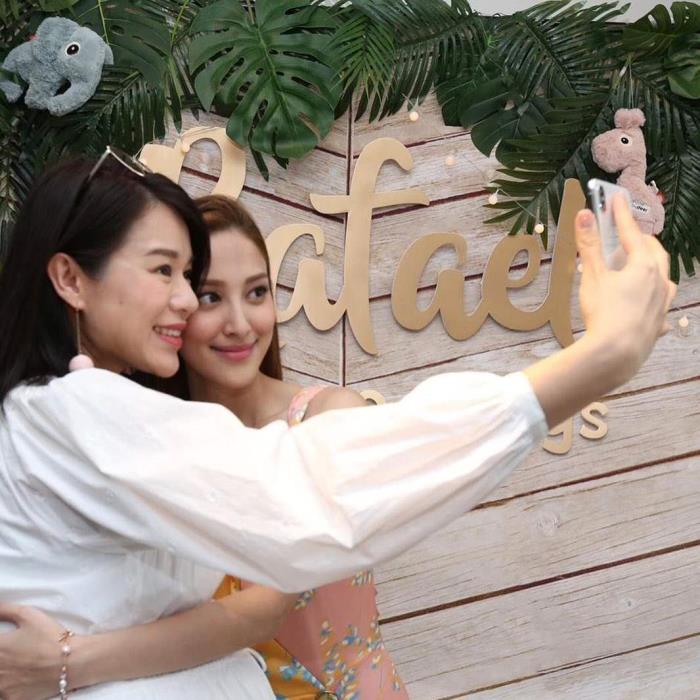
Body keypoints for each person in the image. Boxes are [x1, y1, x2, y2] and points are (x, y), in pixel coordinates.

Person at [0, 150, 674, 700]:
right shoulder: (75, 410)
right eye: (167, 273)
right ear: (71, 280)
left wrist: (70, 661)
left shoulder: (88, 414)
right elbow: (313, 503)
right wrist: (597, 360)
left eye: (248, 289)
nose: (186, 302)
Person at [0, 194, 407, 700]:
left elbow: (264, 608)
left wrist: (66, 662)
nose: (239, 323)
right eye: (210, 296)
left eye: (257, 292)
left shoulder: (329, 417)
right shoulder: (142, 446)